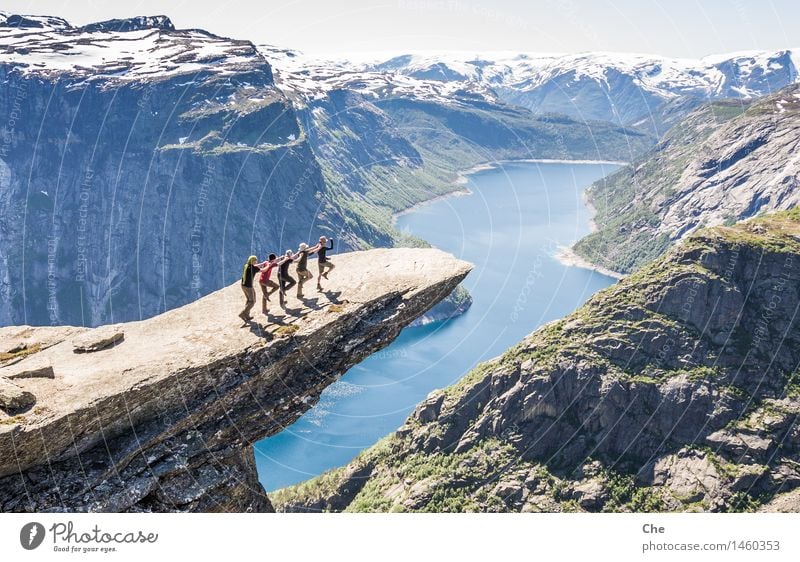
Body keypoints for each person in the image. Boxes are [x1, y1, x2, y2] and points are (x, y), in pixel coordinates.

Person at [239, 255, 259, 322]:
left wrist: (266, 263)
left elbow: (256, 266)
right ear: (253, 261)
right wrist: (270, 265)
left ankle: (247, 316)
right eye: (255, 260)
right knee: (252, 301)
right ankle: (243, 313)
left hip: (243, 285)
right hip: (248, 287)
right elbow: (263, 270)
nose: (257, 261)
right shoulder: (253, 268)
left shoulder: (247, 265)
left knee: (248, 300)